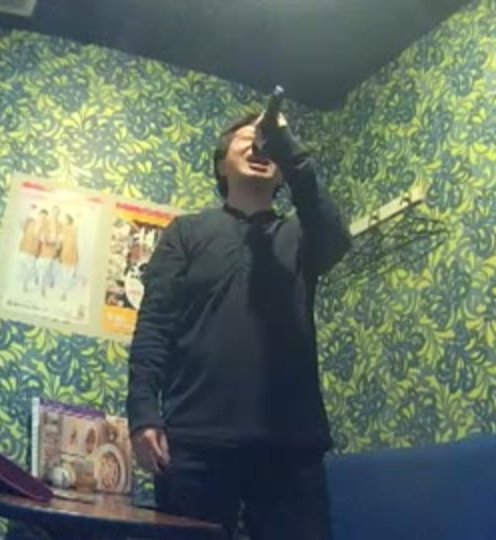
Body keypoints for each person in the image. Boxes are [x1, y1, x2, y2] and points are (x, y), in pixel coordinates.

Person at [126, 110, 352, 540]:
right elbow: (153, 328)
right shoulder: (185, 233)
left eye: (268, 144)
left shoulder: (302, 237)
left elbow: (336, 239)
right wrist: (142, 413)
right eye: (247, 139)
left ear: (282, 171)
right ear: (220, 164)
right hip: (194, 445)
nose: (258, 147)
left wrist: (288, 145)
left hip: (292, 449)